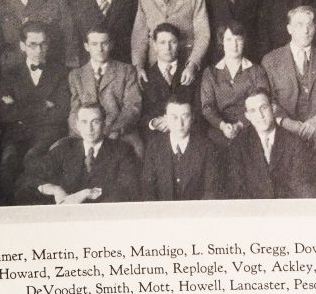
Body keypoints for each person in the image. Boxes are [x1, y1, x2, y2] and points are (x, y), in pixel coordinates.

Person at [0, 22, 70, 205]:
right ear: (22, 46)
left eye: (43, 44)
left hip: (50, 133)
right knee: (8, 160)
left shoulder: (61, 72)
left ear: (49, 44)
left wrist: (18, 106)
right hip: (17, 134)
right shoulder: (9, 74)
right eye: (32, 45)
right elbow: (3, 114)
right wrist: (43, 105)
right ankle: (10, 211)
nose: (39, 50)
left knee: (33, 158)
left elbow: (61, 112)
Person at [29, 102, 140, 205]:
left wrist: (86, 193)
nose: (89, 128)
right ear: (77, 125)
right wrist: (54, 189)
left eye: (95, 122)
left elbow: (129, 188)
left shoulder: (122, 150)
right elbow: (32, 176)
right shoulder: (65, 148)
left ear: (104, 123)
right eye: (84, 122)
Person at [262, 6, 316, 163]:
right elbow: (267, 98)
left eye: (310, 25)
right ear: (289, 29)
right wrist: (286, 122)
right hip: (284, 123)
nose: (305, 30)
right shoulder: (271, 60)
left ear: (315, 28)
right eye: (299, 25)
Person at [68, 25, 142, 157]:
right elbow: (74, 110)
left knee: (137, 150)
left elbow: (132, 107)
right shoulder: (76, 75)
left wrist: (113, 130)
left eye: (104, 43)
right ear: (86, 46)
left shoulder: (127, 71)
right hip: (85, 131)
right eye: (94, 44)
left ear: (111, 45)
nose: (99, 49)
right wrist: (85, 132)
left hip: (118, 130)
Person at [226, 88, 314, 199]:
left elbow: (301, 184)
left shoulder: (294, 142)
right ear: (247, 116)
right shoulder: (238, 145)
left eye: (263, 108)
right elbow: (237, 189)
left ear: (273, 108)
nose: (260, 115)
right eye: (253, 111)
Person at [200, 21, 270, 146]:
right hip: (218, 128)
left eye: (238, 39)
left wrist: (239, 124)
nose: (234, 45)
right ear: (222, 42)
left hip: (250, 125)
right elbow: (207, 107)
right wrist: (222, 126)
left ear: (244, 42)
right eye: (229, 40)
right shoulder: (210, 73)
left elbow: (263, 101)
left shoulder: (256, 70)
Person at [141, 97, 219, 201]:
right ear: (166, 119)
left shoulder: (207, 147)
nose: (180, 123)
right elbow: (148, 190)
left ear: (192, 118)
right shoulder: (154, 147)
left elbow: (211, 191)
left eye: (185, 117)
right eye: (174, 117)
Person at [140, 23, 195, 138]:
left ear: (179, 44)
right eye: (162, 42)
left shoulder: (190, 74)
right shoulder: (146, 77)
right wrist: (153, 123)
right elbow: (141, 114)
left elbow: (198, 109)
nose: (168, 48)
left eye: (173, 42)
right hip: (157, 135)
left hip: (187, 133)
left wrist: (174, 123)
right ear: (154, 45)